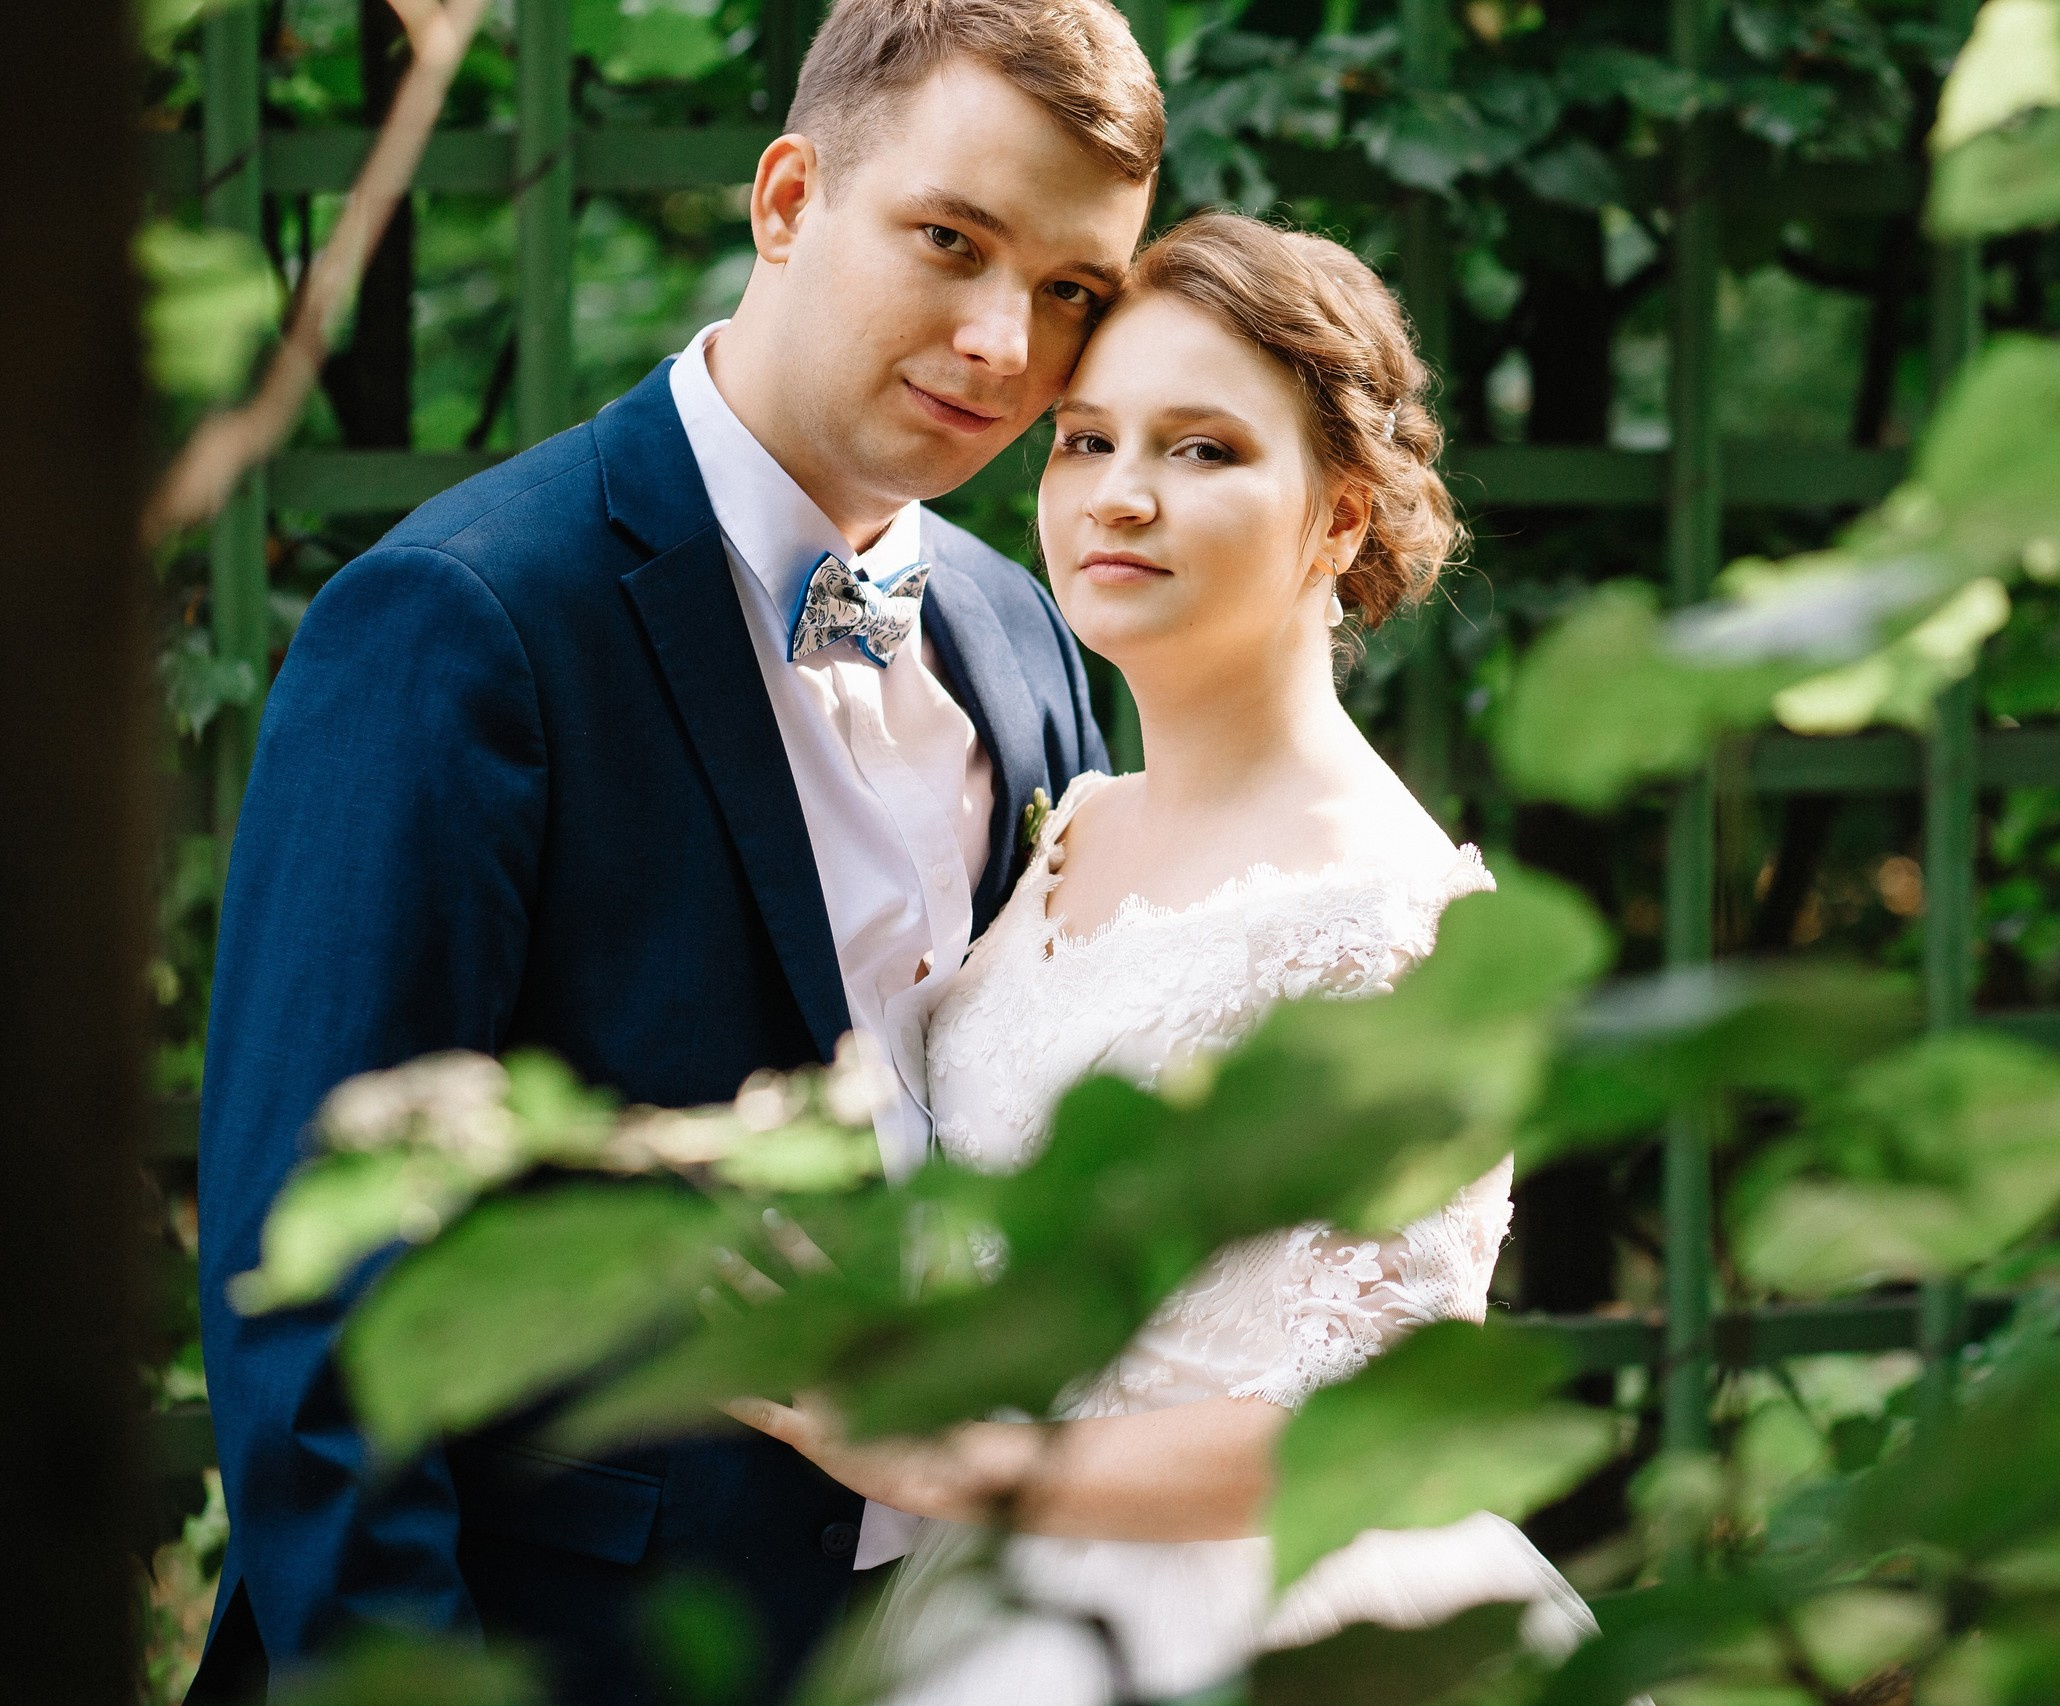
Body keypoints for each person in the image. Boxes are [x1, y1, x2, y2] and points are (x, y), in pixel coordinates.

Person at [189, 5, 1158, 1702]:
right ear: (787, 199)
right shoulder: (464, 620)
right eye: (951, 241)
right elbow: (315, 1287)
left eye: (1073, 289)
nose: (1007, 343)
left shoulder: (1022, 633)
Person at [728, 212, 1597, 1705]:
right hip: (991, 1602)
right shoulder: (1079, 819)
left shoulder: (1403, 919)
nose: (1119, 497)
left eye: (1203, 450)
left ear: (1338, 516)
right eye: (1084, 441)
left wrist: (960, 1455)